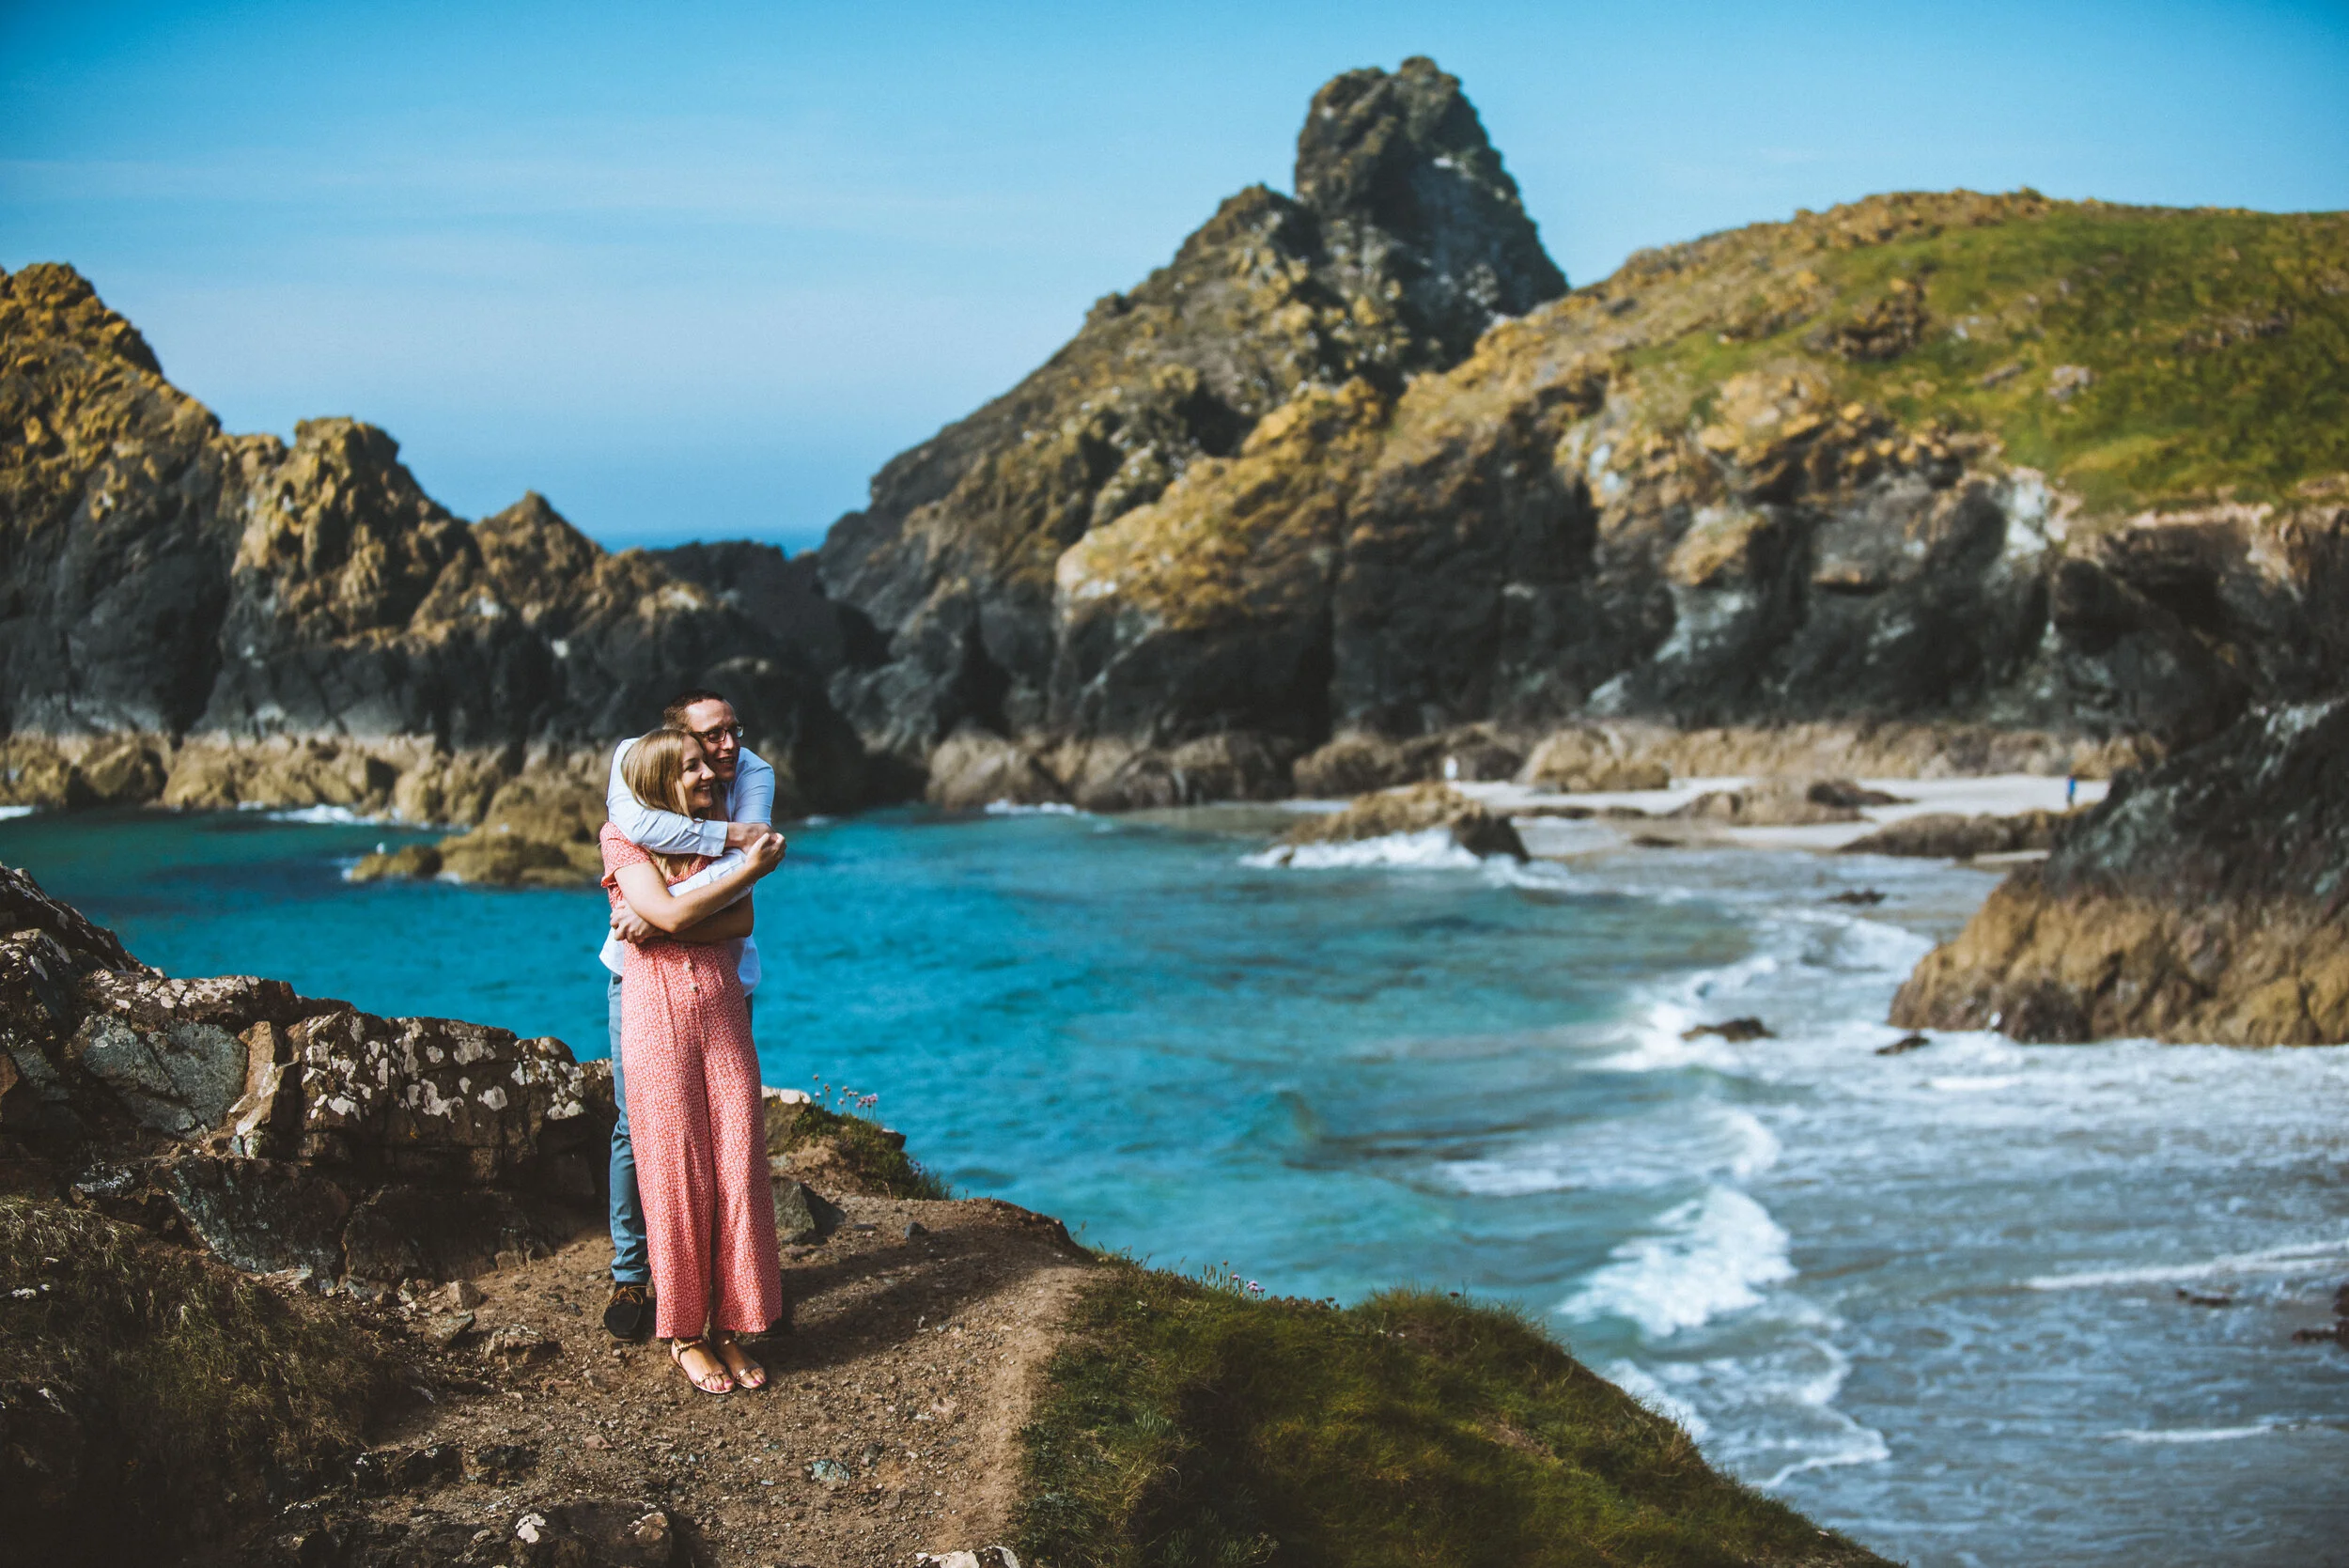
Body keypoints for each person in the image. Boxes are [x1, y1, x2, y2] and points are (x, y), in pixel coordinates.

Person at [601, 725, 789, 1394]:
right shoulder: (622, 839)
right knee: (678, 1172)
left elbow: (736, 923)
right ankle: (684, 1332)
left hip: (721, 1011)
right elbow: (675, 913)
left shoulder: (724, 830)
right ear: (657, 781)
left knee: (738, 1162)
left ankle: (733, 1325)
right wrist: (739, 875)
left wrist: (665, 916)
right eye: (691, 768)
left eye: (707, 765)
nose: (711, 773)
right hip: (658, 1019)